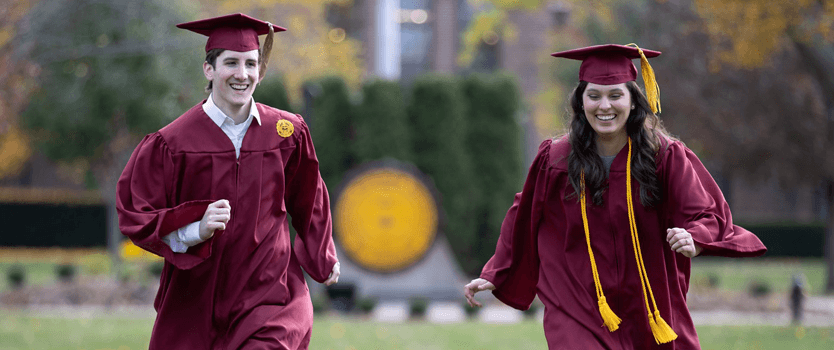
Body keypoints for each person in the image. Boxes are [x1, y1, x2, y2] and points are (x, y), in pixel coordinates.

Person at [463, 44, 767, 349]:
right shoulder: (556, 159)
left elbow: (705, 211)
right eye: (593, 95)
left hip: (647, 302)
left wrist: (694, 238)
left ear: (633, 102)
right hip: (578, 303)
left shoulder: (664, 156)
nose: (604, 105)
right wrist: (498, 271)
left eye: (615, 95)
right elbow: (525, 211)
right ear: (580, 102)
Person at [117, 13, 340, 349]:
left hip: (269, 292)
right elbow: (135, 211)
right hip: (197, 297)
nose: (242, 74)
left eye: (251, 64)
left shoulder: (287, 132)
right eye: (231, 63)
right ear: (209, 69)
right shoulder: (172, 143)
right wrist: (196, 228)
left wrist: (322, 256)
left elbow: (310, 198)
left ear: (260, 72)